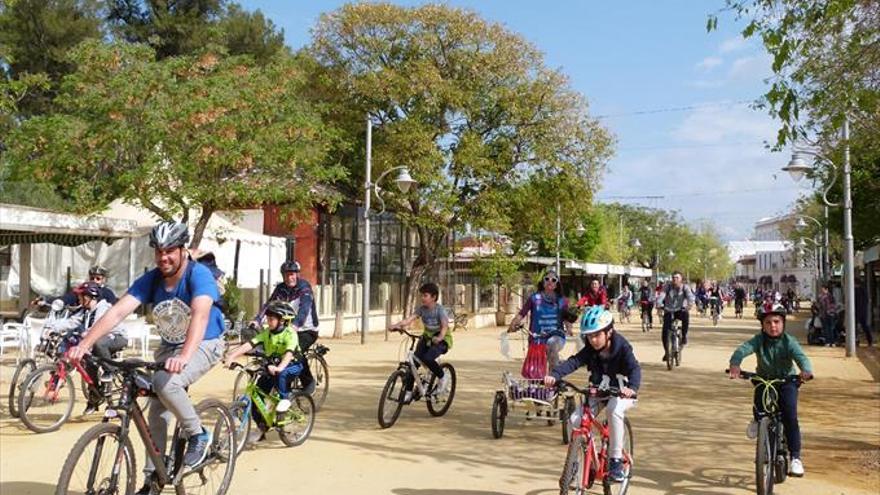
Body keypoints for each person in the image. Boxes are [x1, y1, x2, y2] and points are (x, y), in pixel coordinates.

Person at [68, 221, 226, 493]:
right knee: (155, 407)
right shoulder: (152, 279)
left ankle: (199, 434)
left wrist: (186, 356)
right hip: (168, 347)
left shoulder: (198, 275)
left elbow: (200, 315)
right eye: (158, 251)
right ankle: (154, 477)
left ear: (182, 250)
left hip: (204, 342)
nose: (163, 257)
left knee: (166, 383)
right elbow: (118, 312)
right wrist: (85, 344)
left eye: (170, 251)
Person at [544, 306, 640, 483]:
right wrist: (555, 375)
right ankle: (579, 462)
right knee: (576, 419)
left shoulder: (622, 347)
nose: (593, 340)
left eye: (597, 335)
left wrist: (632, 387)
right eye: (589, 336)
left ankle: (616, 461)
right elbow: (574, 361)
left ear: (609, 332)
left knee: (613, 410)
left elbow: (634, 368)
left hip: (621, 392)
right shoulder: (590, 349)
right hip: (598, 390)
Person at [728, 301, 813, 477]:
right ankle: (758, 420)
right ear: (762, 326)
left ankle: (796, 458)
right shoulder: (759, 340)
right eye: (768, 323)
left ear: (783, 323)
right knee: (759, 398)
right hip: (764, 378)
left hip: (787, 380)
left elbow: (801, 357)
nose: (772, 326)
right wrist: (735, 364)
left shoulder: (789, 342)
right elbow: (743, 350)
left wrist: (805, 371)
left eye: (776, 322)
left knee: (790, 415)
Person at [225, 300, 304, 443]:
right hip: (272, 366)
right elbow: (250, 344)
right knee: (257, 395)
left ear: (282, 321)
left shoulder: (290, 333)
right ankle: (262, 428)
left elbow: (289, 353)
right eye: (268, 318)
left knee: (282, 374)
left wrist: (280, 367)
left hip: (292, 364)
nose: (268, 321)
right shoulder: (267, 333)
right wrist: (232, 355)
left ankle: (285, 399)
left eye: (272, 319)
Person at [252, 260, 319, 394]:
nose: (290, 278)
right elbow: (269, 305)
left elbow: (304, 309)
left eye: (293, 274)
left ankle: (308, 382)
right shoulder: (281, 288)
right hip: (287, 330)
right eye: (287, 275)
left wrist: (296, 325)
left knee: (295, 352)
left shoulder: (304, 288)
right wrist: (257, 320)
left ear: (297, 274)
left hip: (306, 330)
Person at [389, 282, 452, 399]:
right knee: (413, 363)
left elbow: (444, 327)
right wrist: (396, 325)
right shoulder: (421, 309)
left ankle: (443, 377)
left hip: (441, 341)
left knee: (428, 358)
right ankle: (408, 393)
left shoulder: (440, 310)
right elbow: (409, 320)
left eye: (425, 295)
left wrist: (439, 338)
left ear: (434, 297)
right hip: (427, 338)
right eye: (421, 295)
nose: (422, 298)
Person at [509, 270, 573, 372]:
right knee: (534, 373)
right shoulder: (534, 298)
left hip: (556, 335)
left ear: (557, 284)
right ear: (543, 282)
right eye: (547, 279)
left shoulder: (562, 300)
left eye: (553, 280)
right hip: (536, 336)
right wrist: (513, 323)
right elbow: (522, 313)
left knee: (551, 345)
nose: (550, 281)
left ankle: (555, 377)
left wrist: (569, 328)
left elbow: (566, 318)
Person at [657, 271, 695, 361]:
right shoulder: (667, 286)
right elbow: (661, 296)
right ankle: (667, 352)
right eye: (673, 277)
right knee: (665, 333)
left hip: (680, 310)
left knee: (686, 316)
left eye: (677, 277)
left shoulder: (685, 287)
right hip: (669, 310)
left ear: (681, 279)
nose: (675, 279)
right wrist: (658, 304)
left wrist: (689, 305)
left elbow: (690, 297)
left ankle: (684, 335)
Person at [854, 278, 874, 347]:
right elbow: (868, 300)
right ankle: (870, 341)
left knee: (854, 327)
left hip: (856, 311)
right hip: (864, 311)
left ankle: (856, 340)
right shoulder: (864, 290)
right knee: (865, 326)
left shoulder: (854, 291)